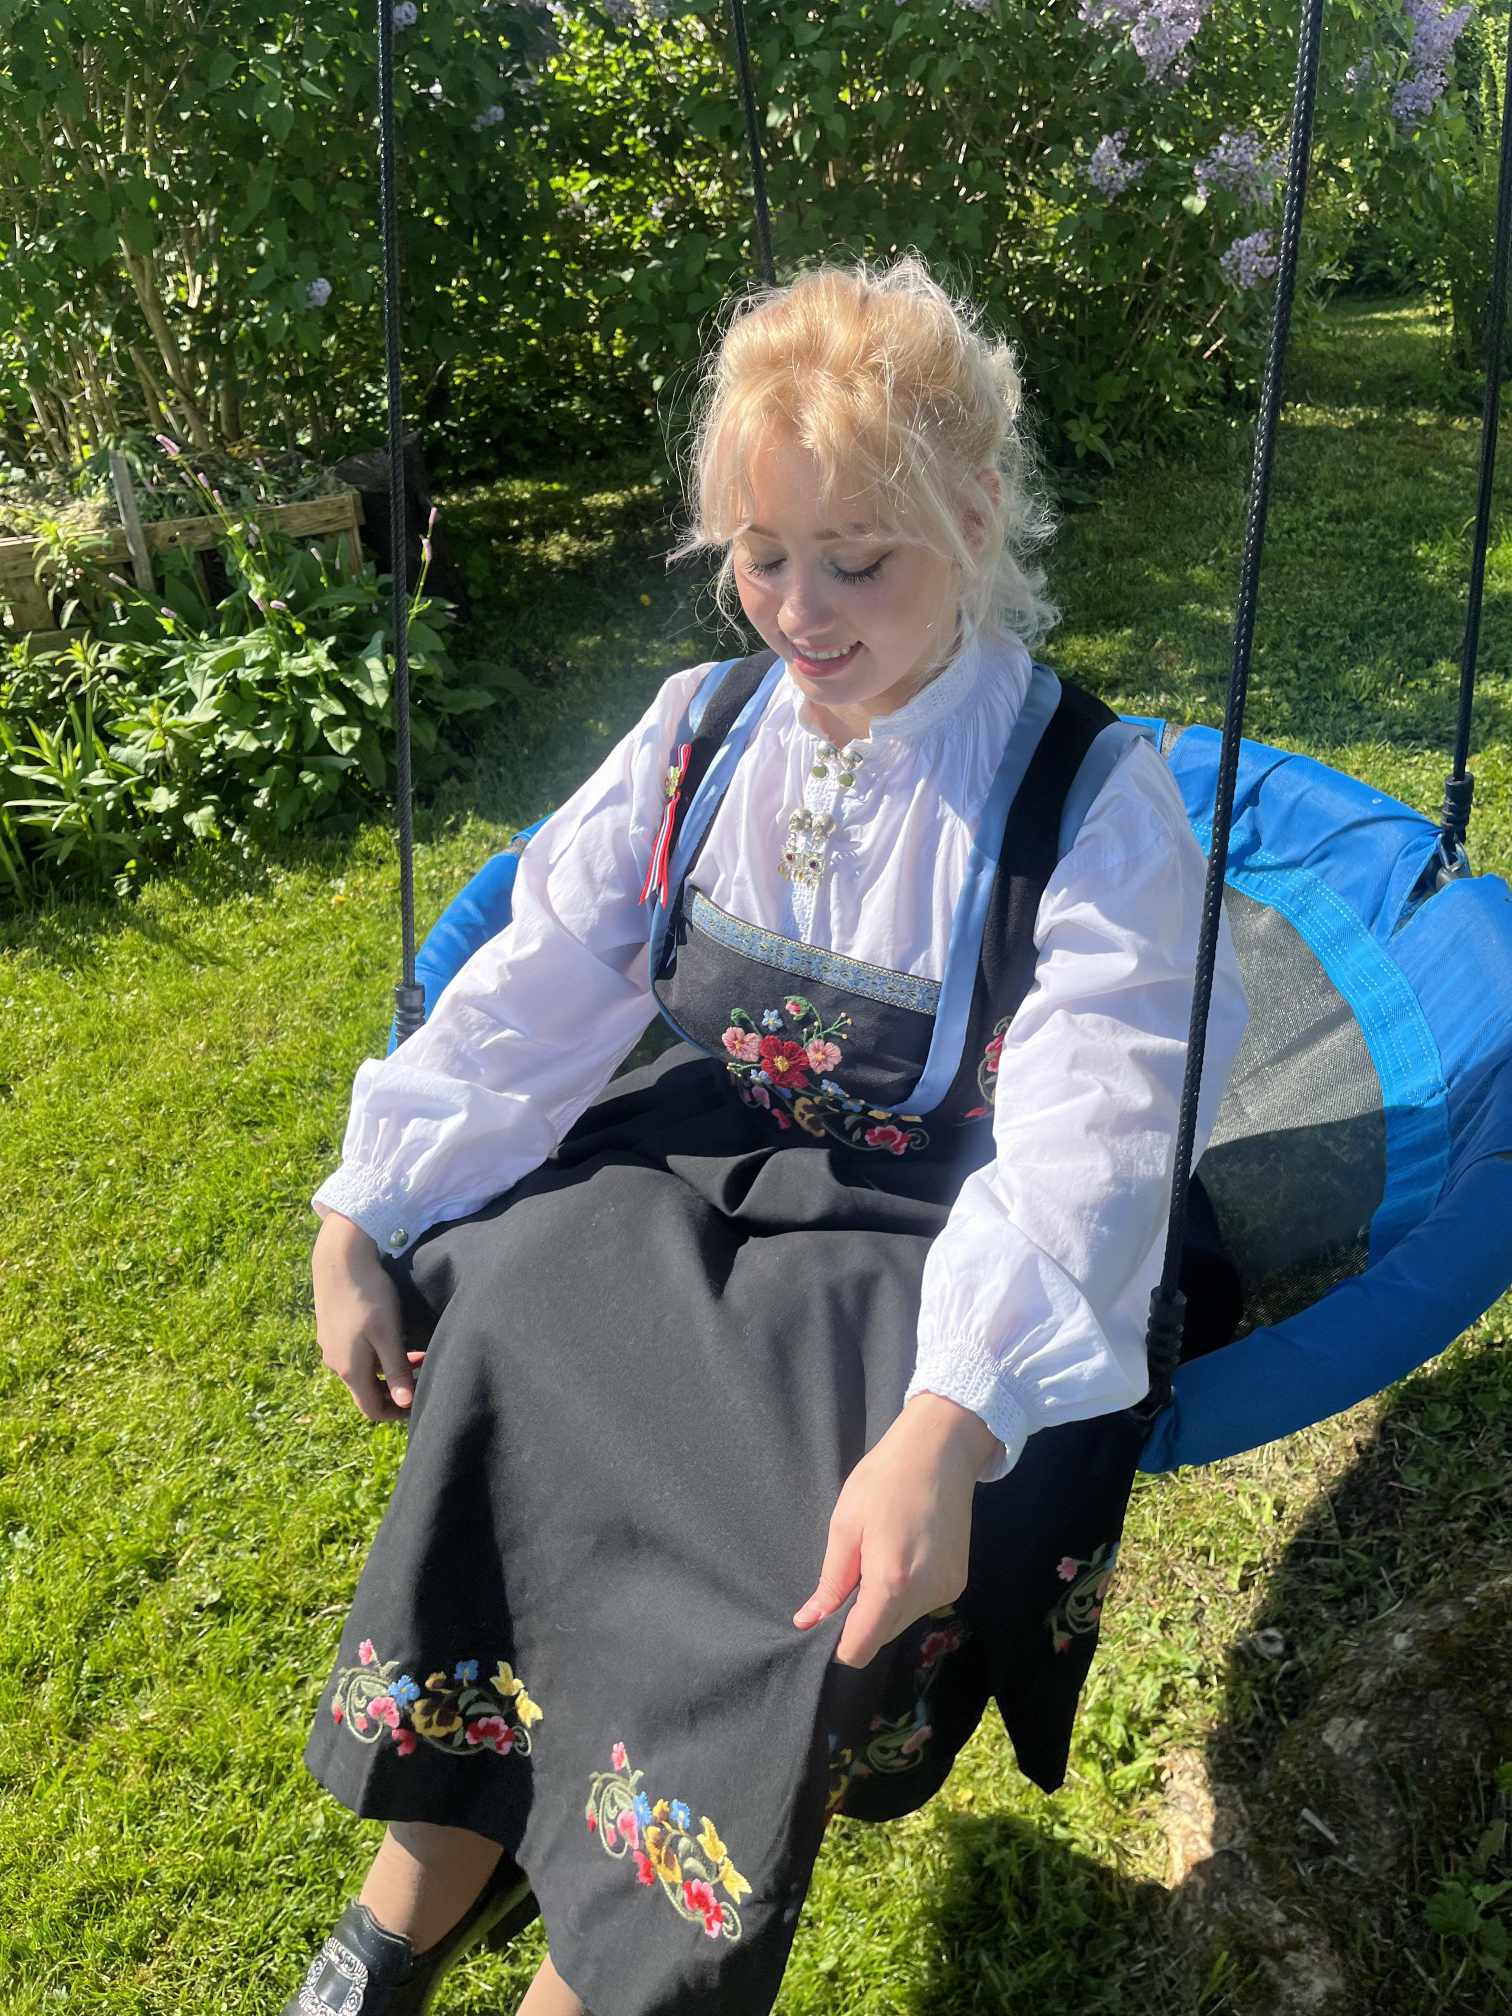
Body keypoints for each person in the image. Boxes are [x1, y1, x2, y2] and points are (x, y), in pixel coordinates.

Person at [285, 252, 1250, 2016]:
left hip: (940, 1234)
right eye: (761, 555)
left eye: (857, 563)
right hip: (731, 1157)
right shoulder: (702, 733)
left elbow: (1091, 1137)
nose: (798, 611)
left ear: (971, 521)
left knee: (788, 1524)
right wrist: (371, 1198)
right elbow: (549, 973)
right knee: (515, 1309)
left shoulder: (1080, 802)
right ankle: (410, 1889)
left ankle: (601, 1974)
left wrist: (948, 1429)